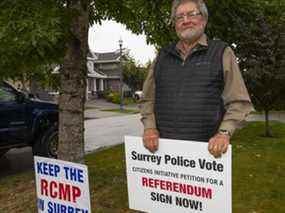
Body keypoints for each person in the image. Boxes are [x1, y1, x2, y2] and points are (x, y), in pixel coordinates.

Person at [140, 0, 254, 158]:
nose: (185, 21)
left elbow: (239, 102)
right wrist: (150, 128)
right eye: (179, 17)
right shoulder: (162, 56)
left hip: (206, 155)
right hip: (163, 153)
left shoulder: (222, 52)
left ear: (204, 19)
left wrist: (224, 132)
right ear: (175, 24)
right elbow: (147, 99)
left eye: (192, 14)